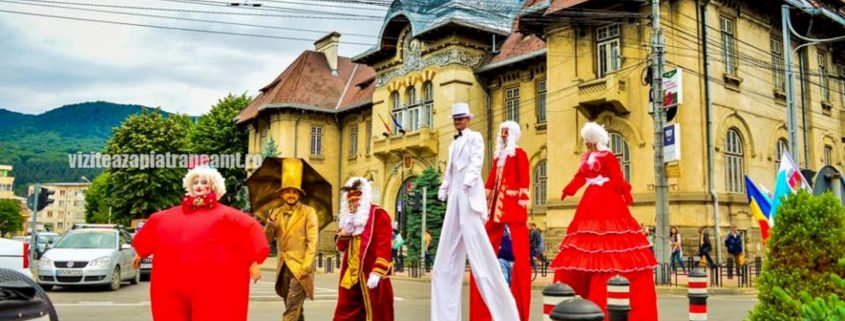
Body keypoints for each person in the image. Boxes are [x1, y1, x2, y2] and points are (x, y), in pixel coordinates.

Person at [132, 164, 269, 321]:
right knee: (170, 313)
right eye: (195, 182)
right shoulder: (168, 216)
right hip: (172, 283)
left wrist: (253, 260)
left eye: (204, 182)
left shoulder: (227, 216)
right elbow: (155, 226)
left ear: (213, 186)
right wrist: (140, 252)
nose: (199, 186)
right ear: (189, 186)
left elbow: (249, 229)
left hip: (212, 285)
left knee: (213, 314)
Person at [550, 122, 658, 321]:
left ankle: (607, 291)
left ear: (596, 141)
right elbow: (580, 177)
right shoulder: (585, 158)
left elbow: (617, 176)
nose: (588, 146)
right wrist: (568, 189)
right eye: (586, 143)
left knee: (611, 237)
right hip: (590, 200)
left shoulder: (607, 156)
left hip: (608, 197)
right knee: (587, 238)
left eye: (590, 142)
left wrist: (625, 193)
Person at [432, 102, 520, 321]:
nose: (458, 122)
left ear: (468, 119)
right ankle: (444, 315)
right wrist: (444, 188)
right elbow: (451, 170)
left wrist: (469, 182)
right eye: (455, 119)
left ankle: (505, 314)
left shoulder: (475, 137)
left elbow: (476, 161)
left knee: (480, 255)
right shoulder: (454, 145)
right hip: (455, 192)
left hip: (468, 192)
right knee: (444, 260)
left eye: (461, 118)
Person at [469, 120, 532, 321]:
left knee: (520, 250)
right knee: (486, 241)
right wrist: (482, 198)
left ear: (513, 134)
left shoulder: (519, 154)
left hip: (512, 205)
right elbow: (490, 180)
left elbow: (524, 178)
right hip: (495, 206)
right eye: (502, 133)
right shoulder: (498, 158)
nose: (504, 136)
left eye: (506, 133)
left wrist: (522, 199)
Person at [264, 158, 319, 321]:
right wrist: (269, 227)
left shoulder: (309, 212)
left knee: (291, 310)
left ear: (300, 194)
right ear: (281, 194)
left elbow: (313, 241)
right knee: (295, 310)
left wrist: (307, 266)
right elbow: (266, 241)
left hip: (300, 267)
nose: (290, 195)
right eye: (287, 191)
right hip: (283, 268)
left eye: (294, 192)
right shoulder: (275, 213)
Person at [333, 177, 394, 321]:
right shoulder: (350, 219)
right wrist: (346, 232)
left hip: (370, 276)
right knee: (345, 314)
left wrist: (377, 271)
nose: (353, 205)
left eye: (356, 201)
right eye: (350, 202)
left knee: (375, 314)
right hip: (351, 276)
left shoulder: (379, 215)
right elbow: (341, 247)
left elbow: (384, 245)